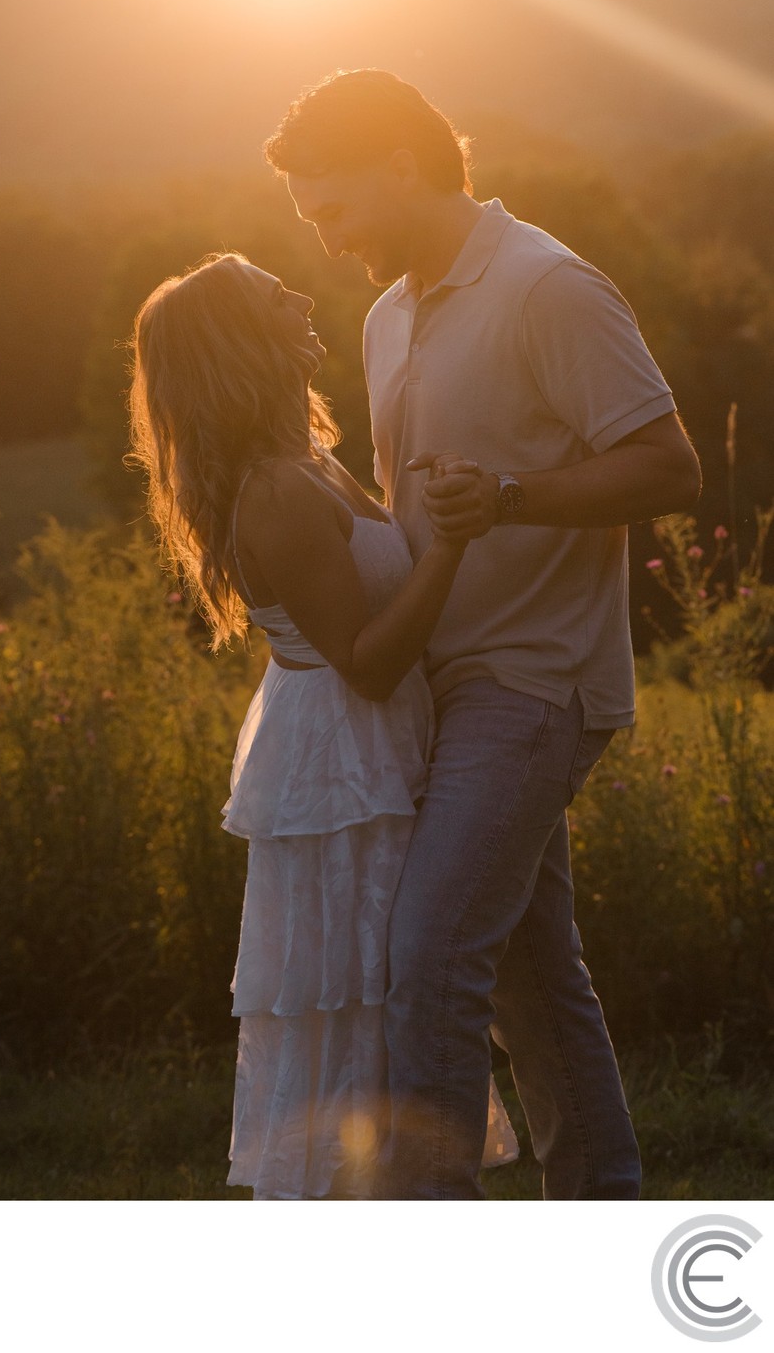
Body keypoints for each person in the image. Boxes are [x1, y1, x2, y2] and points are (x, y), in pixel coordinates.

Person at [263, 68, 703, 1200]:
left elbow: (670, 466)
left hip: (530, 681)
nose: (329, 239)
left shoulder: (547, 286)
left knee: (426, 964)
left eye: (336, 209)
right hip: (434, 693)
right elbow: (406, 509)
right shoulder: (387, 312)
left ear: (401, 167)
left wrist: (511, 496)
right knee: (530, 981)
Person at [126, 251, 519, 1199]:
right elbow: (373, 664)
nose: (302, 296)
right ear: (239, 342)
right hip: (341, 763)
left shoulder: (309, 461)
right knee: (360, 995)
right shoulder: (276, 493)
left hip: (366, 746)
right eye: (275, 296)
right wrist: (453, 543)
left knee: (392, 990)